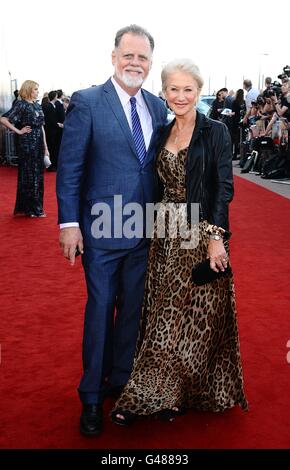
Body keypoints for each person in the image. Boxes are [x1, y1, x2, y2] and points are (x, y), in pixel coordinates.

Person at [111, 58, 248, 425]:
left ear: (199, 92)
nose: (181, 95)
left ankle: (162, 393)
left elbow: (224, 187)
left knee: (185, 317)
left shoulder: (215, 131)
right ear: (165, 91)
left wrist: (216, 238)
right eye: (174, 88)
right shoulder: (161, 131)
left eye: (189, 89)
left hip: (199, 230)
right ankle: (166, 392)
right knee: (165, 314)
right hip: (163, 232)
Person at [56, 24, 167, 437]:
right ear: (114, 57)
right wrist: (69, 224)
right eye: (128, 55)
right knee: (101, 311)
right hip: (101, 232)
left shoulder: (157, 107)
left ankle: (121, 381)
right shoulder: (87, 102)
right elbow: (70, 169)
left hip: (144, 232)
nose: (134, 63)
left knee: (133, 315)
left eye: (142, 57)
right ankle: (90, 397)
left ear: (150, 63)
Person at [0, 80, 48, 217]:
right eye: (35, 89)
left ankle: (34, 207)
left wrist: (46, 147)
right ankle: (32, 209)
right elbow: (4, 119)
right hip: (27, 144)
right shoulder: (21, 105)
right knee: (29, 175)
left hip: (38, 143)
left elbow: (42, 127)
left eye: (38, 89)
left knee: (38, 175)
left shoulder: (38, 106)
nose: (38, 91)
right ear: (28, 90)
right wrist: (18, 131)